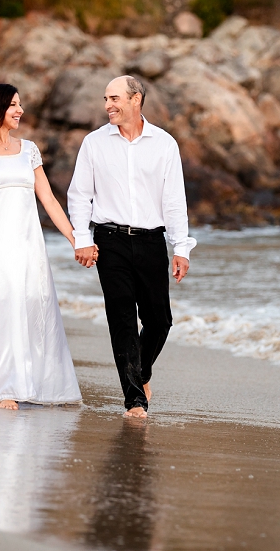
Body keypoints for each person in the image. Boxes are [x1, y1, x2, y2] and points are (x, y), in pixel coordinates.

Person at [67, 75, 196, 419]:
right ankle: (135, 401)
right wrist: (82, 238)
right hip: (109, 241)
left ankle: (142, 372)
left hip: (152, 241)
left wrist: (181, 247)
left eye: (115, 98)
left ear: (136, 99)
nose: (108, 105)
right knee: (121, 319)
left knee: (160, 320)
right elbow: (79, 195)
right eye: (105, 99)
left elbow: (174, 201)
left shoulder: (164, 144)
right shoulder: (94, 143)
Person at [0, 83, 85, 409]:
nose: (19, 110)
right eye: (13, 104)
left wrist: (76, 238)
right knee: (0, 309)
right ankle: (5, 388)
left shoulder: (29, 150)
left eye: (20, 104)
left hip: (28, 246)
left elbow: (50, 201)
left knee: (31, 306)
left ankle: (39, 384)